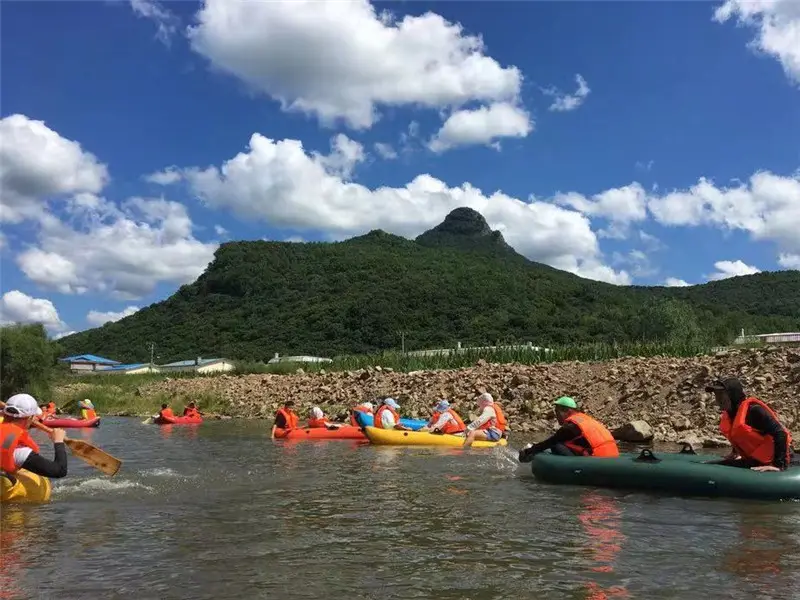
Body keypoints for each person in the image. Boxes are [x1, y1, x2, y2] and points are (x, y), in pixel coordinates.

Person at [705, 378, 798, 471]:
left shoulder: (754, 411)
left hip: (786, 460)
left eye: (721, 395)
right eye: (716, 395)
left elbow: (781, 433)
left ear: (732, 395)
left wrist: (778, 465)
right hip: (758, 460)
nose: (717, 400)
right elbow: (738, 435)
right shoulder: (731, 414)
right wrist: (735, 452)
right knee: (719, 464)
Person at [518, 397, 618, 462]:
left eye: (557, 412)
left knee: (556, 446)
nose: (556, 415)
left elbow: (550, 442)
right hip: (613, 454)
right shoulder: (584, 419)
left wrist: (529, 451)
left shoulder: (571, 427)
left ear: (567, 411)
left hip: (598, 459)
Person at [0, 393, 68, 479]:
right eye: (34, 417)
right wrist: (58, 441)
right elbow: (60, 471)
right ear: (30, 418)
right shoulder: (19, 450)